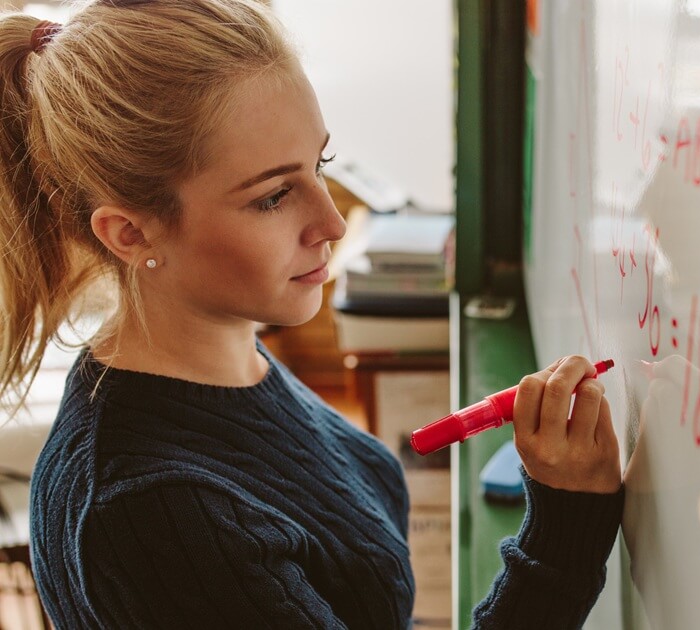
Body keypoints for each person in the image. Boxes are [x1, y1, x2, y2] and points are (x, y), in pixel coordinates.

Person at [1, 1, 624, 628]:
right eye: (272, 197)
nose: (330, 224)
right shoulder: (151, 511)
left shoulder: (227, 355)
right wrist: (565, 529)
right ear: (130, 234)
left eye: (319, 165)